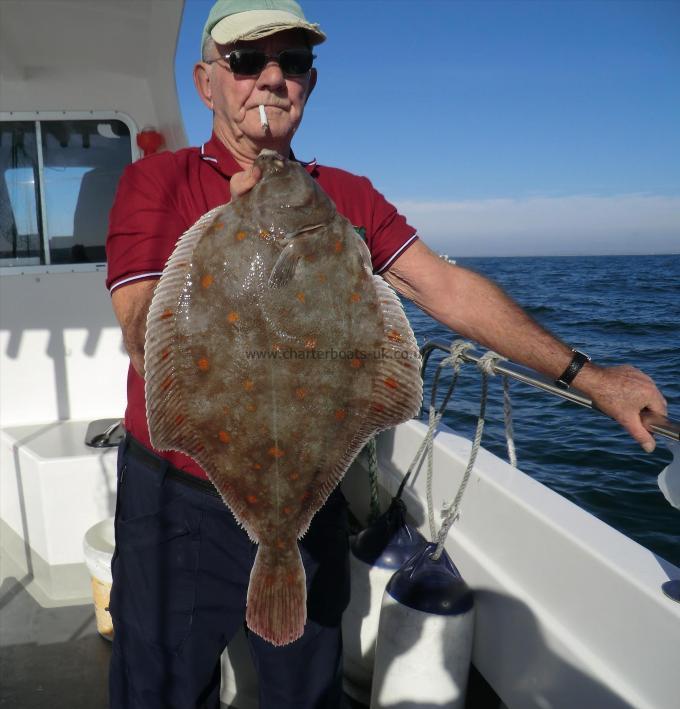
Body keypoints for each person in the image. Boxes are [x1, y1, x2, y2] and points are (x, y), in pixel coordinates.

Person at [105, 1, 668, 707]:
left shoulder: (344, 196)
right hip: (179, 501)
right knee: (159, 689)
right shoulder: (155, 184)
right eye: (248, 62)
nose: (273, 80)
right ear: (206, 82)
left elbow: (447, 289)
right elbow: (139, 328)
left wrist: (590, 378)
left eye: (294, 63)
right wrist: (236, 237)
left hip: (310, 501)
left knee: (306, 691)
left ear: (310, 82)